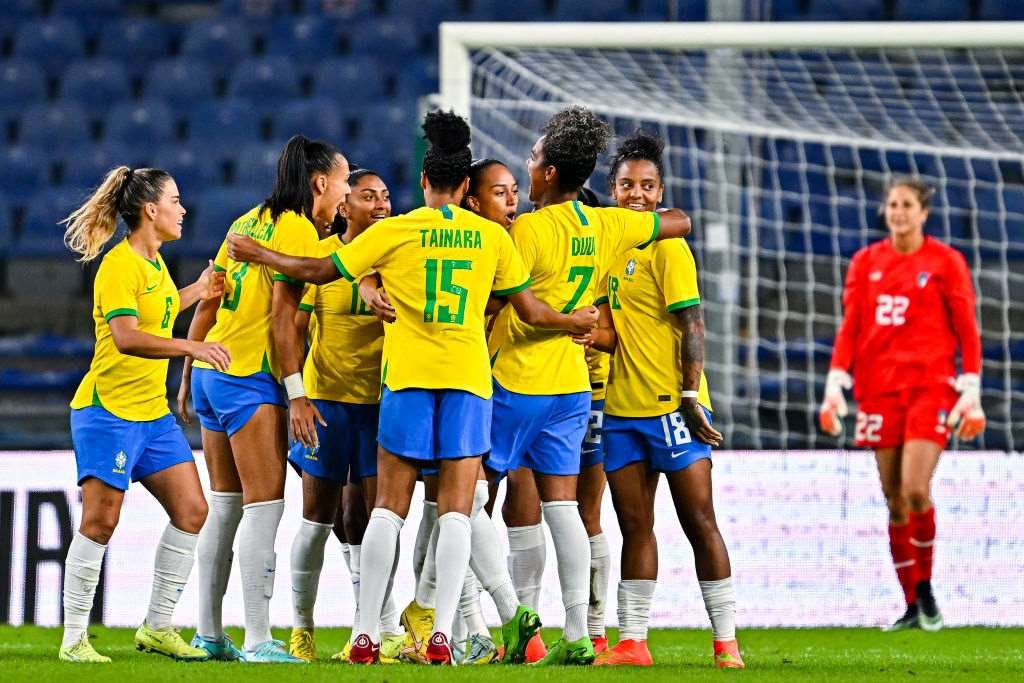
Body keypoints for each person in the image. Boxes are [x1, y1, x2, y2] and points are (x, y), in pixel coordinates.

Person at [225, 110, 599, 665]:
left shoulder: (395, 231)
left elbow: (316, 271)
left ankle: (365, 633)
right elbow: (529, 308)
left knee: (388, 511)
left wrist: (258, 254)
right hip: (469, 384)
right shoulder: (493, 238)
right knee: (454, 512)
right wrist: (574, 324)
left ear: (424, 182)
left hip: (405, 382)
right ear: (468, 187)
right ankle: (443, 633)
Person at [484, 106, 692, 666]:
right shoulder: (605, 224)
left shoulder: (526, 229)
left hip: (514, 382)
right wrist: (649, 212)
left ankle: (512, 624)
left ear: (549, 172)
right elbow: (678, 222)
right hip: (573, 388)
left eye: (533, 159)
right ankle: (579, 633)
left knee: (465, 502)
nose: (528, 167)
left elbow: (505, 304)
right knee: (565, 508)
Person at [178, 135, 350, 663]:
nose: (345, 192)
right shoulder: (298, 229)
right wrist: (296, 395)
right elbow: (282, 319)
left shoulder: (245, 221)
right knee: (264, 508)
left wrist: (187, 371)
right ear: (320, 182)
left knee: (225, 509)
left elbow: (211, 298)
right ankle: (257, 639)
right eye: (344, 181)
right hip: (249, 378)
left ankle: (209, 635)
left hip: (213, 373)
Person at [581, 130, 743, 668]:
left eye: (648, 186)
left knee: (700, 521)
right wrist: (580, 332)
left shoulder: (668, 246)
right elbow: (611, 331)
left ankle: (726, 644)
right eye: (627, 185)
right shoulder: (609, 252)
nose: (637, 195)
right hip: (622, 411)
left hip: (674, 407)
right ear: (612, 189)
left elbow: (692, 322)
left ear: (660, 190)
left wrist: (691, 393)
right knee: (635, 528)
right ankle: (633, 642)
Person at [59, 166, 228, 663]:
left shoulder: (154, 265)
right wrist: (192, 346)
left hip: (152, 417)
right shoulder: (120, 265)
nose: (183, 209)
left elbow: (160, 307)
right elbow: (127, 336)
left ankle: (157, 626)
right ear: (151, 210)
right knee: (99, 522)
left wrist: (197, 291)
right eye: (175, 200)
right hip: (107, 411)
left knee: (192, 511)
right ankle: (73, 640)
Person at [819, 176, 984, 632]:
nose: (899, 212)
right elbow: (851, 327)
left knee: (914, 489)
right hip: (877, 390)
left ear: (923, 212)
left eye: (907, 204)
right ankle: (911, 604)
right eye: (893, 204)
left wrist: (970, 388)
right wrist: (837, 383)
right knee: (892, 500)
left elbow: (967, 328)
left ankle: (927, 589)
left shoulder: (946, 262)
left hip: (931, 389)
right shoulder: (865, 263)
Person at [284, 169, 405, 662]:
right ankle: (302, 628)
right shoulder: (320, 259)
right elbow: (291, 330)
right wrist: (297, 396)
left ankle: (376, 628)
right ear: (344, 206)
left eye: (386, 196)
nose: (380, 204)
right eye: (368, 196)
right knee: (318, 519)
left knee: (377, 519)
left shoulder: (401, 257)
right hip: (327, 404)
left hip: (382, 405)